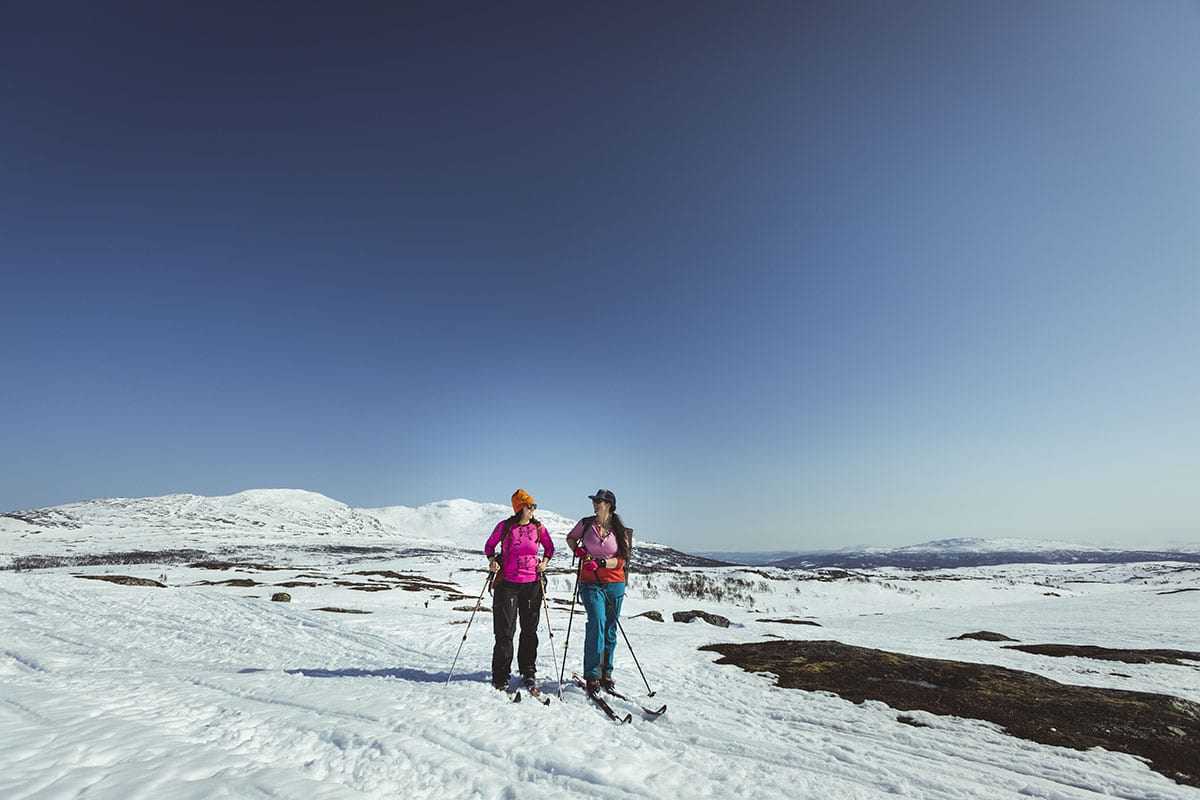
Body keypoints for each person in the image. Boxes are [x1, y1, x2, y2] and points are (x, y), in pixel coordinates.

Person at [484, 489, 554, 691]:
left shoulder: (539, 528)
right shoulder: (505, 527)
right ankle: (501, 675)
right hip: (507, 584)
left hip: (532, 584)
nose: (533, 510)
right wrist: (492, 561)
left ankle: (528, 671)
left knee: (529, 630)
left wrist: (545, 563)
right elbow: (489, 546)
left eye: (534, 506)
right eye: (530, 506)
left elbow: (549, 549)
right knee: (505, 632)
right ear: (520, 508)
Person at [565, 488, 631, 694]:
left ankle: (606, 673)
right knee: (597, 621)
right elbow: (570, 538)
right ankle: (592, 674)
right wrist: (579, 551)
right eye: (594, 501)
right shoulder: (585, 524)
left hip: (615, 583)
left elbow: (622, 560)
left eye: (599, 502)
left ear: (609, 505)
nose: (595, 504)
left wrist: (601, 562)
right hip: (589, 582)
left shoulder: (620, 531)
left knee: (610, 628)